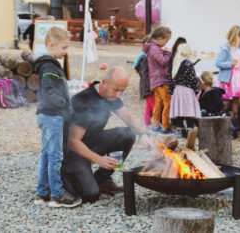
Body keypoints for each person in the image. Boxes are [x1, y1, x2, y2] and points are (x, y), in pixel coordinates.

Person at [61, 67, 154, 202]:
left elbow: (128, 118)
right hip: (73, 153)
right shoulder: (84, 100)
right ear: (104, 82)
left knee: (128, 135)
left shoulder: (111, 95)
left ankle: (103, 179)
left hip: (93, 142)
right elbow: (73, 142)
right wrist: (99, 159)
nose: (119, 95)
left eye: (122, 91)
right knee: (90, 195)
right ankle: (63, 176)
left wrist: (143, 134)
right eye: (116, 90)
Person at [33, 26, 82, 207]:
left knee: (47, 155)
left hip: (48, 116)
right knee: (55, 157)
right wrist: (63, 103)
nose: (65, 52)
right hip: (52, 117)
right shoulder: (49, 67)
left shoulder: (50, 65)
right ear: (52, 45)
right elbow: (47, 92)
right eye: (64, 48)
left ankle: (42, 193)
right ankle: (57, 195)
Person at [216, 25, 240, 132]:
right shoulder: (225, 48)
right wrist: (230, 63)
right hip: (232, 77)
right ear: (234, 37)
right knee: (235, 99)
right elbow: (218, 63)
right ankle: (235, 119)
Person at [143, 26, 173, 134]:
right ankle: (165, 126)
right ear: (160, 38)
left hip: (156, 81)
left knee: (159, 103)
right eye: (166, 40)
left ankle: (155, 126)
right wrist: (168, 53)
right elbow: (163, 61)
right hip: (161, 81)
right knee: (167, 103)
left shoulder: (152, 48)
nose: (166, 43)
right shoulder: (154, 48)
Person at [168, 43, 201, 138]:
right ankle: (190, 131)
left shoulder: (174, 63)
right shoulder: (188, 64)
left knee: (179, 111)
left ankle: (181, 132)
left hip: (177, 90)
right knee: (189, 111)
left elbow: (169, 79)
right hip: (187, 91)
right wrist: (197, 90)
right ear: (188, 53)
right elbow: (193, 79)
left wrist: (171, 92)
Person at [198, 71, 238, 139]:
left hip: (218, 114)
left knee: (202, 112)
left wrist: (200, 102)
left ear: (203, 83)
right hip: (212, 113)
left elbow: (212, 108)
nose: (198, 85)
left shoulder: (213, 94)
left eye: (199, 83)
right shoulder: (204, 92)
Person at [134, 36, 154, 129]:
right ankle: (159, 122)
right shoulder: (144, 58)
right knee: (154, 105)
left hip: (147, 85)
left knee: (149, 106)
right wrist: (149, 85)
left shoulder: (144, 57)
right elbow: (144, 74)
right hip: (148, 86)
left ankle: (147, 123)